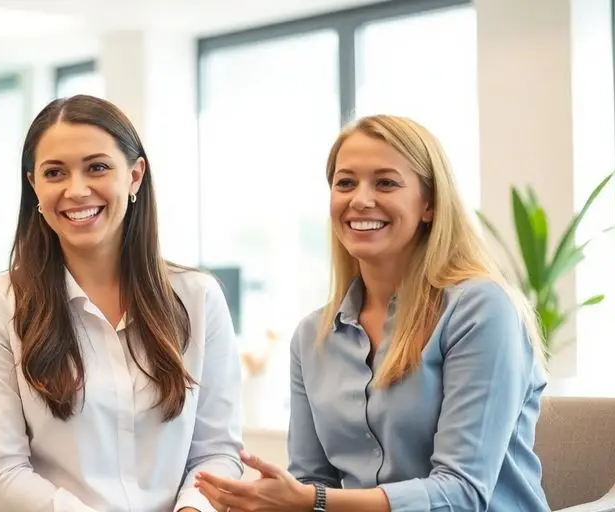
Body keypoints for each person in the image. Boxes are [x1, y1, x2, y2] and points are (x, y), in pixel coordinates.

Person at [195, 115, 549, 512]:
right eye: (345, 182)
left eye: (386, 182)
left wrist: (313, 501)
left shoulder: (480, 310)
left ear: (429, 204)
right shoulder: (313, 337)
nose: (360, 199)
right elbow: (313, 480)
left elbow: (461, 493)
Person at [0, 94, 244, 512]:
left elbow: (216, 452)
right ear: (33, 186)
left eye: (97, 167)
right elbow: (1, 473)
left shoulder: (198, 297)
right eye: (54, 172)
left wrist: (192, 509)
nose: (76, 190)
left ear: (135, 175)